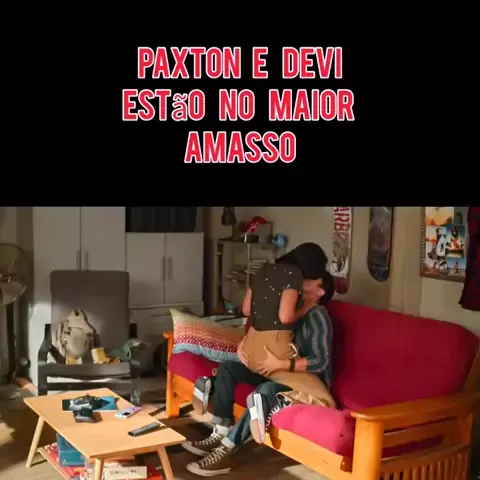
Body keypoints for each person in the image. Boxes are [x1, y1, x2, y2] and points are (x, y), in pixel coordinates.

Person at [182, 269, 335, 477]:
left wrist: (281, 363)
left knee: (264, 392)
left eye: (310, 278)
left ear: (320, 291)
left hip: (302, 383)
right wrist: (244, 346)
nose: (302, 280)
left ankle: (226, 450)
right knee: (228, 368)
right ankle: (219, 432)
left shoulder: (318, 316)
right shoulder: (292, 310)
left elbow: (321, 361)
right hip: (274, 372)